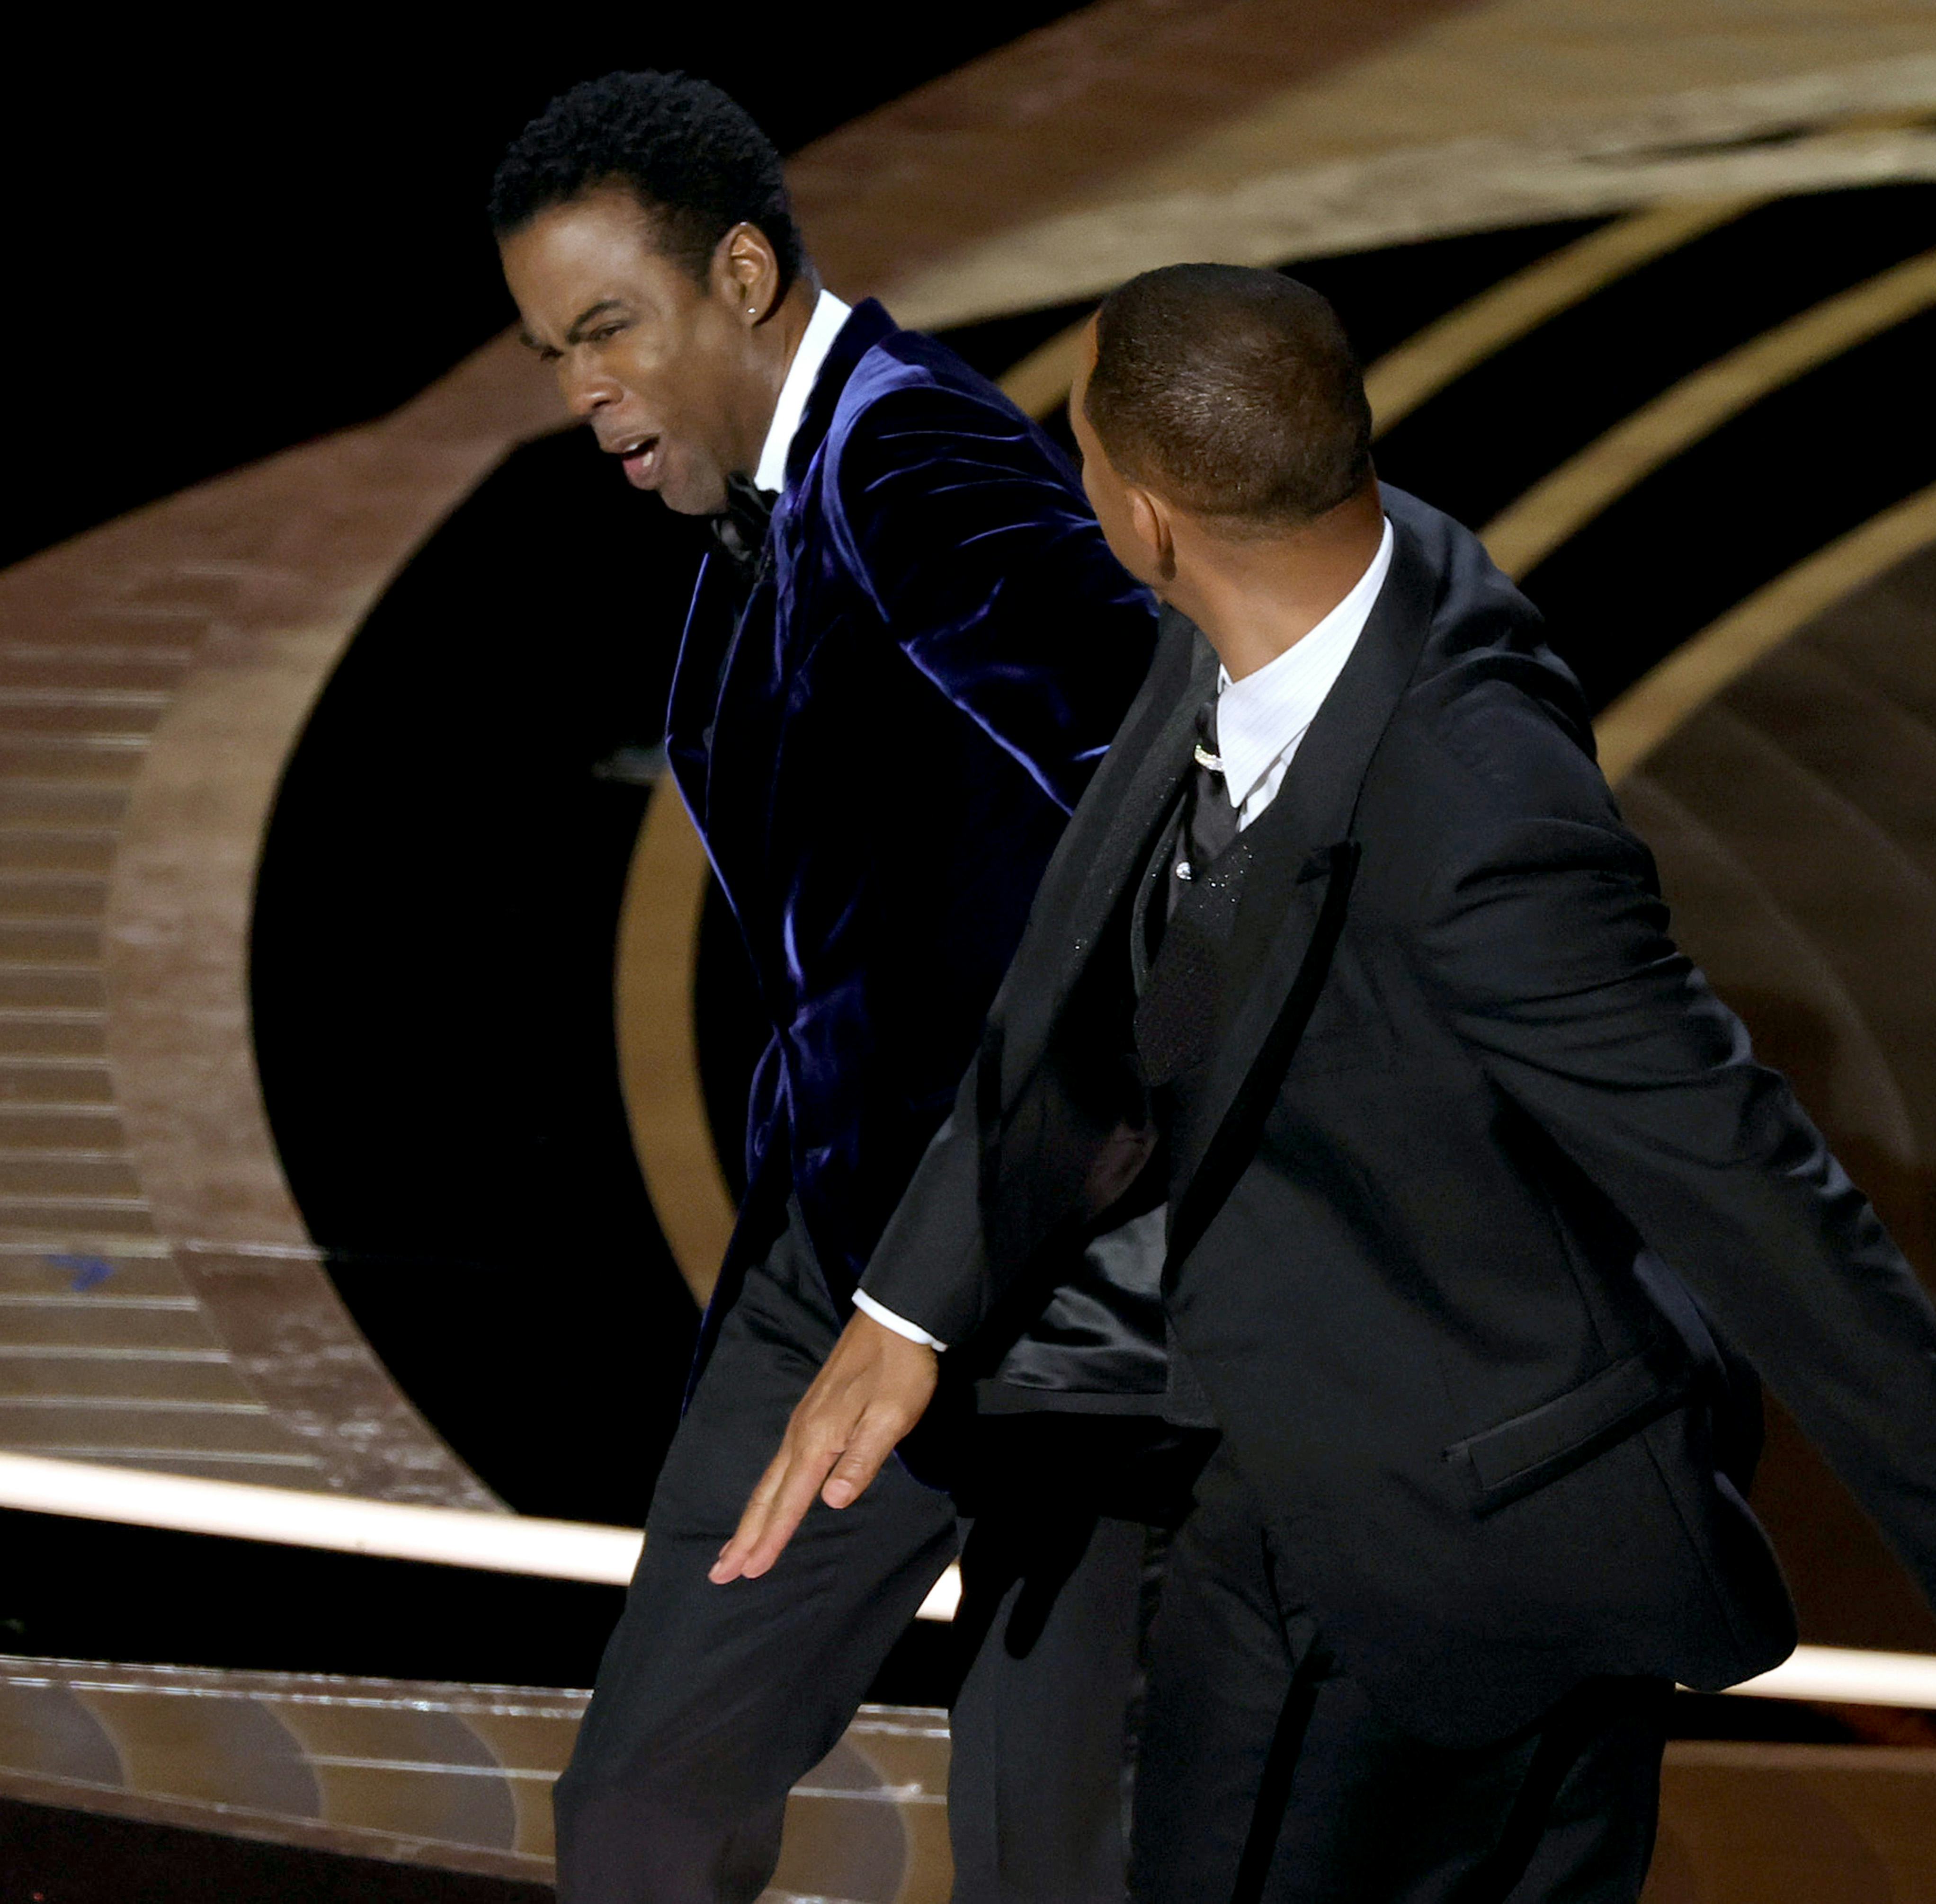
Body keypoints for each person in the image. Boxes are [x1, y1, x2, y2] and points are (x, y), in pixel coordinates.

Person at [718, 264, 1936, 1902]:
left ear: (1144, 520)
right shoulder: (1316, 582)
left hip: (1414, 1551)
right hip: (1453, 1500)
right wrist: (914, 1304)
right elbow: (1118, 974)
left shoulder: (1479, 820)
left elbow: (1745, 1180)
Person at [491, 73, 1203, 1904]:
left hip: (1055, 1285)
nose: (583, 394)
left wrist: (1036, 1176)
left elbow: (1168, 775)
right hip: (838, 1272)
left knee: (1058, 1861)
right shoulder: (769, 510)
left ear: (741, 275)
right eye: (553, 353)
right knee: (643, 1811)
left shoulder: (909, 456)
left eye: (608, 331)